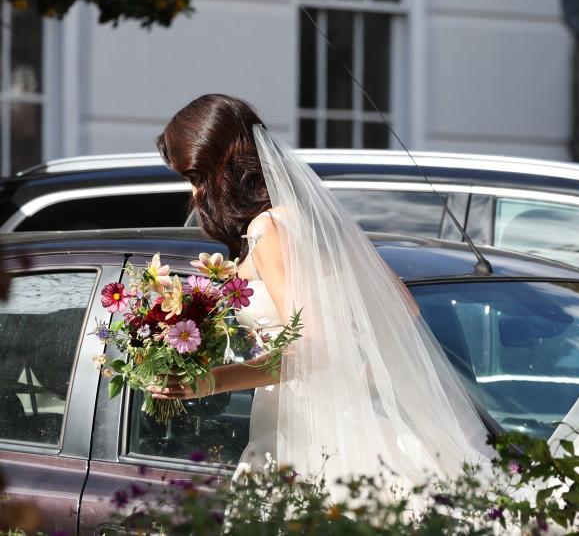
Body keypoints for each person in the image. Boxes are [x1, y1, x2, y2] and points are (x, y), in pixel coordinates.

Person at [147, 94, 491, 484]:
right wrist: (363, 373)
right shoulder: (311, 223)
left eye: (195, 178)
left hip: (306, 424)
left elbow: (313, 350)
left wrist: (213, 380)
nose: (194, 194)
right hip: (335, 413)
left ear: (220, 169)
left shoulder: (270, 228)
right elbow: (403, 307)